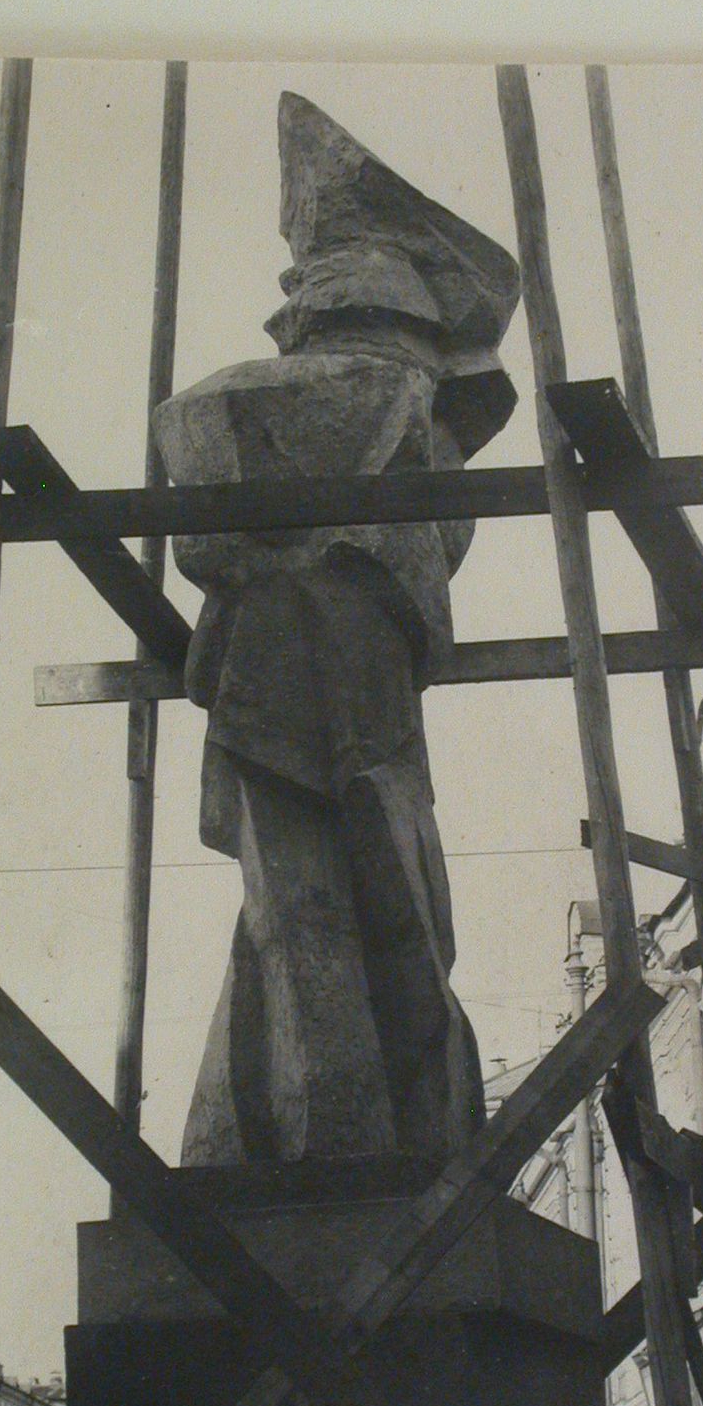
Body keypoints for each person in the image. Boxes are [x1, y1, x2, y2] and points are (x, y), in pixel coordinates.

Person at [156, 93, 521, 1169]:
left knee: (329, 915)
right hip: (305, 690)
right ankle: (336, 1140)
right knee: (339, 916)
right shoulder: (388, 413)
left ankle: (320, 1138)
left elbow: (206, 534)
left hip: (311, 693)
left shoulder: (251, 406)